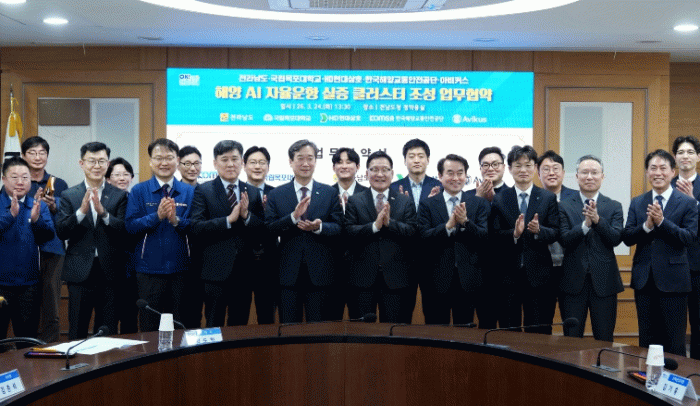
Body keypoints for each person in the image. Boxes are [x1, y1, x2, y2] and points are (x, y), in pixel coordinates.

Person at [623, 149, 698, 356]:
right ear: (647, 172)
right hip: (644, 280)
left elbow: (689, 237)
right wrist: (646, 226)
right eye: (653, 168)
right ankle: (646, 377)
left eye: (663, 168)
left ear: (673, 172)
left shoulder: (687, 202)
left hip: (674, 282)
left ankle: (675, 376)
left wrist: (662, 222)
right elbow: (627, 237)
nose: (658, 173)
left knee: (674, 343)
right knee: (647, 341)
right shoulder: (638, 201)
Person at [265, 139, 342, 323]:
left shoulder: (329, 192)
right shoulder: (276, 194)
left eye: (310, 158)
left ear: (316, 161)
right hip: (287, 275)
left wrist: (319, 227)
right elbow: (269, 229)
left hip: (320, 274)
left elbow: (339, 227)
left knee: (318, 328)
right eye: (300, 158)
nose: (305, 163)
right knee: (289, 328)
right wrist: (293, 217)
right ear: (290, 162)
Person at [56, 142, 128, 339]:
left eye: (101, 161)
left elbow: (124, 231)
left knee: (107, 330)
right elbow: (61, 232)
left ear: (108, 164)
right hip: (79, 271)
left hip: (109, 271)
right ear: (82, 163)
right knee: (77, 329)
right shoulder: (69, 195)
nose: (97, 166)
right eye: (92, 161)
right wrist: (81, 212)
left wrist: (103, 213)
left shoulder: (119, 195)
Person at [189, 140, 264, 327]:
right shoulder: (203, 190)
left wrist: (246, 216)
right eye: (224, 160)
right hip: (214, 272)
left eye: (235, 159)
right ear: (215, 163)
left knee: (239, 326)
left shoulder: (252, 192)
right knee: (213, 326)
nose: (230, 164)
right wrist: (228, 220)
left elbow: (262, 230)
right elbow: (196, 227)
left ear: (242, 162)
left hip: (244, 272)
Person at [125, 139, 194, 332]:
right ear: (150, 161)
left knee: (180, 325)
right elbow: (130, 227)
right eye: (158, 158)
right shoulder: (139, 191)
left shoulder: (190, 192)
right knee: (149, 326)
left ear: (177, 160)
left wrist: (175, 220)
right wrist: (157, 217)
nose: (164, 163)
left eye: (169, 158)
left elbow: (196, 227)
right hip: (148, 271)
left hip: (181, 270)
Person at [490, 145, 560, 334]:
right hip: (508, 275)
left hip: (539, 275)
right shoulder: (500, 198)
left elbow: (555, 232)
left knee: (537, 330)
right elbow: (494, 234)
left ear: (535, 168)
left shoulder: (547, 197)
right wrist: (514, 234)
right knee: (509, 330)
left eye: (528, 165)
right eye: (518, 165)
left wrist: (539, 230)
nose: (523, 170)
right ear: (509, 169)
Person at [344, 151, 416, 322]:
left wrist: (390, 223)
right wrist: (374, 226)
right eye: (374, 169)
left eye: (385, 170)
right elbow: (348, 233)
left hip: (396, 279)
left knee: (393, 330)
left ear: (392, 173)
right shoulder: (355, 200)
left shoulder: (405, 201)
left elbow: (413, 232)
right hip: (362, 279)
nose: (380, 174)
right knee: (361, 331)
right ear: (366, 173)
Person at [418, 154, 490, 325]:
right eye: (450, 173)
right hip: (435, 279)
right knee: (435, 330)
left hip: (467, 279)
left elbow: (483, 237)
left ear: (466, 175)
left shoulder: (478, 203)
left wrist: (465, 222)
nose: (456, 178)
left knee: (464, 331)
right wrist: (448, 226)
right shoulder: (427, 204)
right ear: (440, 176)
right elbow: (423, 237)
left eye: (460, 173)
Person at [559, 155, 624, 342]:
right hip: (572, 283)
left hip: (605, 283)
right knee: (571, 340)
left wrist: (597, 220)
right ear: (577, 176)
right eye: (584, 172)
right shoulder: (563, 206)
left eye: (594, 172)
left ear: (602, 176)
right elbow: (564, 239)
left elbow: (615, 238)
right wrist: (585, 226)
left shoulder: (614, 206)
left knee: (604, 338)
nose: (589, 177)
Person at [0, 157, 54, 347]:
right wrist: (10, 216)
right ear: (4, 179)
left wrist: (37, 220)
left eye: (25, 177)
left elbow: (48, 236)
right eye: (14, 177)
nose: (20, 182)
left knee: (27, 341)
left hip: (28, 285)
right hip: (0, 284)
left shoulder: (37, 205)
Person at [21, 136, 68, 343]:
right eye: (32, 153)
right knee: (26, 302)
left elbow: (67, 220)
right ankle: (26, 346)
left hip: (52, 249)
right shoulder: (19, 182)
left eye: (42, 153)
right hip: (24, 250)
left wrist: (53, 206)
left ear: (47, 156)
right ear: (23, 156)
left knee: (51, 303)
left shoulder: (58, 183)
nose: (38, 157)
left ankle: (51, 347)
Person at [390, 138, 441, 323]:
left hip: (433, 259)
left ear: (428, 160)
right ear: (405, 161)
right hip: (403, 260)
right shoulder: (393, 188)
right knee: (402, 313)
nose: (416, 160)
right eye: (411, 156)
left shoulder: (440, 186)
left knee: (434, 313)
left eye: (421, 156)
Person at [466, 146, 509, 328]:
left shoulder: (512, 194)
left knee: (509, 326)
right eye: (486, 165)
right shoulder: (469, 196)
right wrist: (479, 199)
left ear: (504, 167)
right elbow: (467, 229)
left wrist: (494, 202)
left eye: (495, 164)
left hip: (507, 270)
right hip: (479, 270)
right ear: (480, 168)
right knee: (485, 324)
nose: (490, 168)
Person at [536, 150, 577, 331]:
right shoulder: (534, 198)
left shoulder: (576, 198)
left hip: (571, 268)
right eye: (546, 169)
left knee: (572, 323)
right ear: (538, 174)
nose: (551, 173)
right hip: (542, 269)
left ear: (563, 172)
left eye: (555, 168)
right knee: (542, 324)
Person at [331, 147, 368, 320]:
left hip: (362, 269)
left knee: (360, 323)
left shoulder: (368, 194)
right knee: (330, 323)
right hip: (331, 270)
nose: (344, 166)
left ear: (358, 166)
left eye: (349, 162)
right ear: (333, 168)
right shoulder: (325, 194)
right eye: (339, 162)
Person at [671, 135, 700, 359]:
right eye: (680, 152)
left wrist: (692, 202)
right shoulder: (665, 186)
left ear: (698, 157)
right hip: (672, 265)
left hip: (698, 265)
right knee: (674, 325)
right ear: (675, 157)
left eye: (690, 152)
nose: (685, 156)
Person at [242, 145, 277, 324]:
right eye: (253, 162)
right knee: (238, 317)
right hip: (240, 263)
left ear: (268, 167)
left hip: (269, 263)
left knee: (267, 317)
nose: (257, 167)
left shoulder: (277, 194)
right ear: (244, 165)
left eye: (262, 163)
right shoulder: (236, 192)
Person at [106, 158, 138, 334]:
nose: (122, 178)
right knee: (108, 317)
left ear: (132, 177)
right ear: (108, 179)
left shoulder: (136, 198)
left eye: (126, 174)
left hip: (132, 267)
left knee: (130, 317)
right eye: (117, 174)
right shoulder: (102, 200)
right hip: (108, 266)